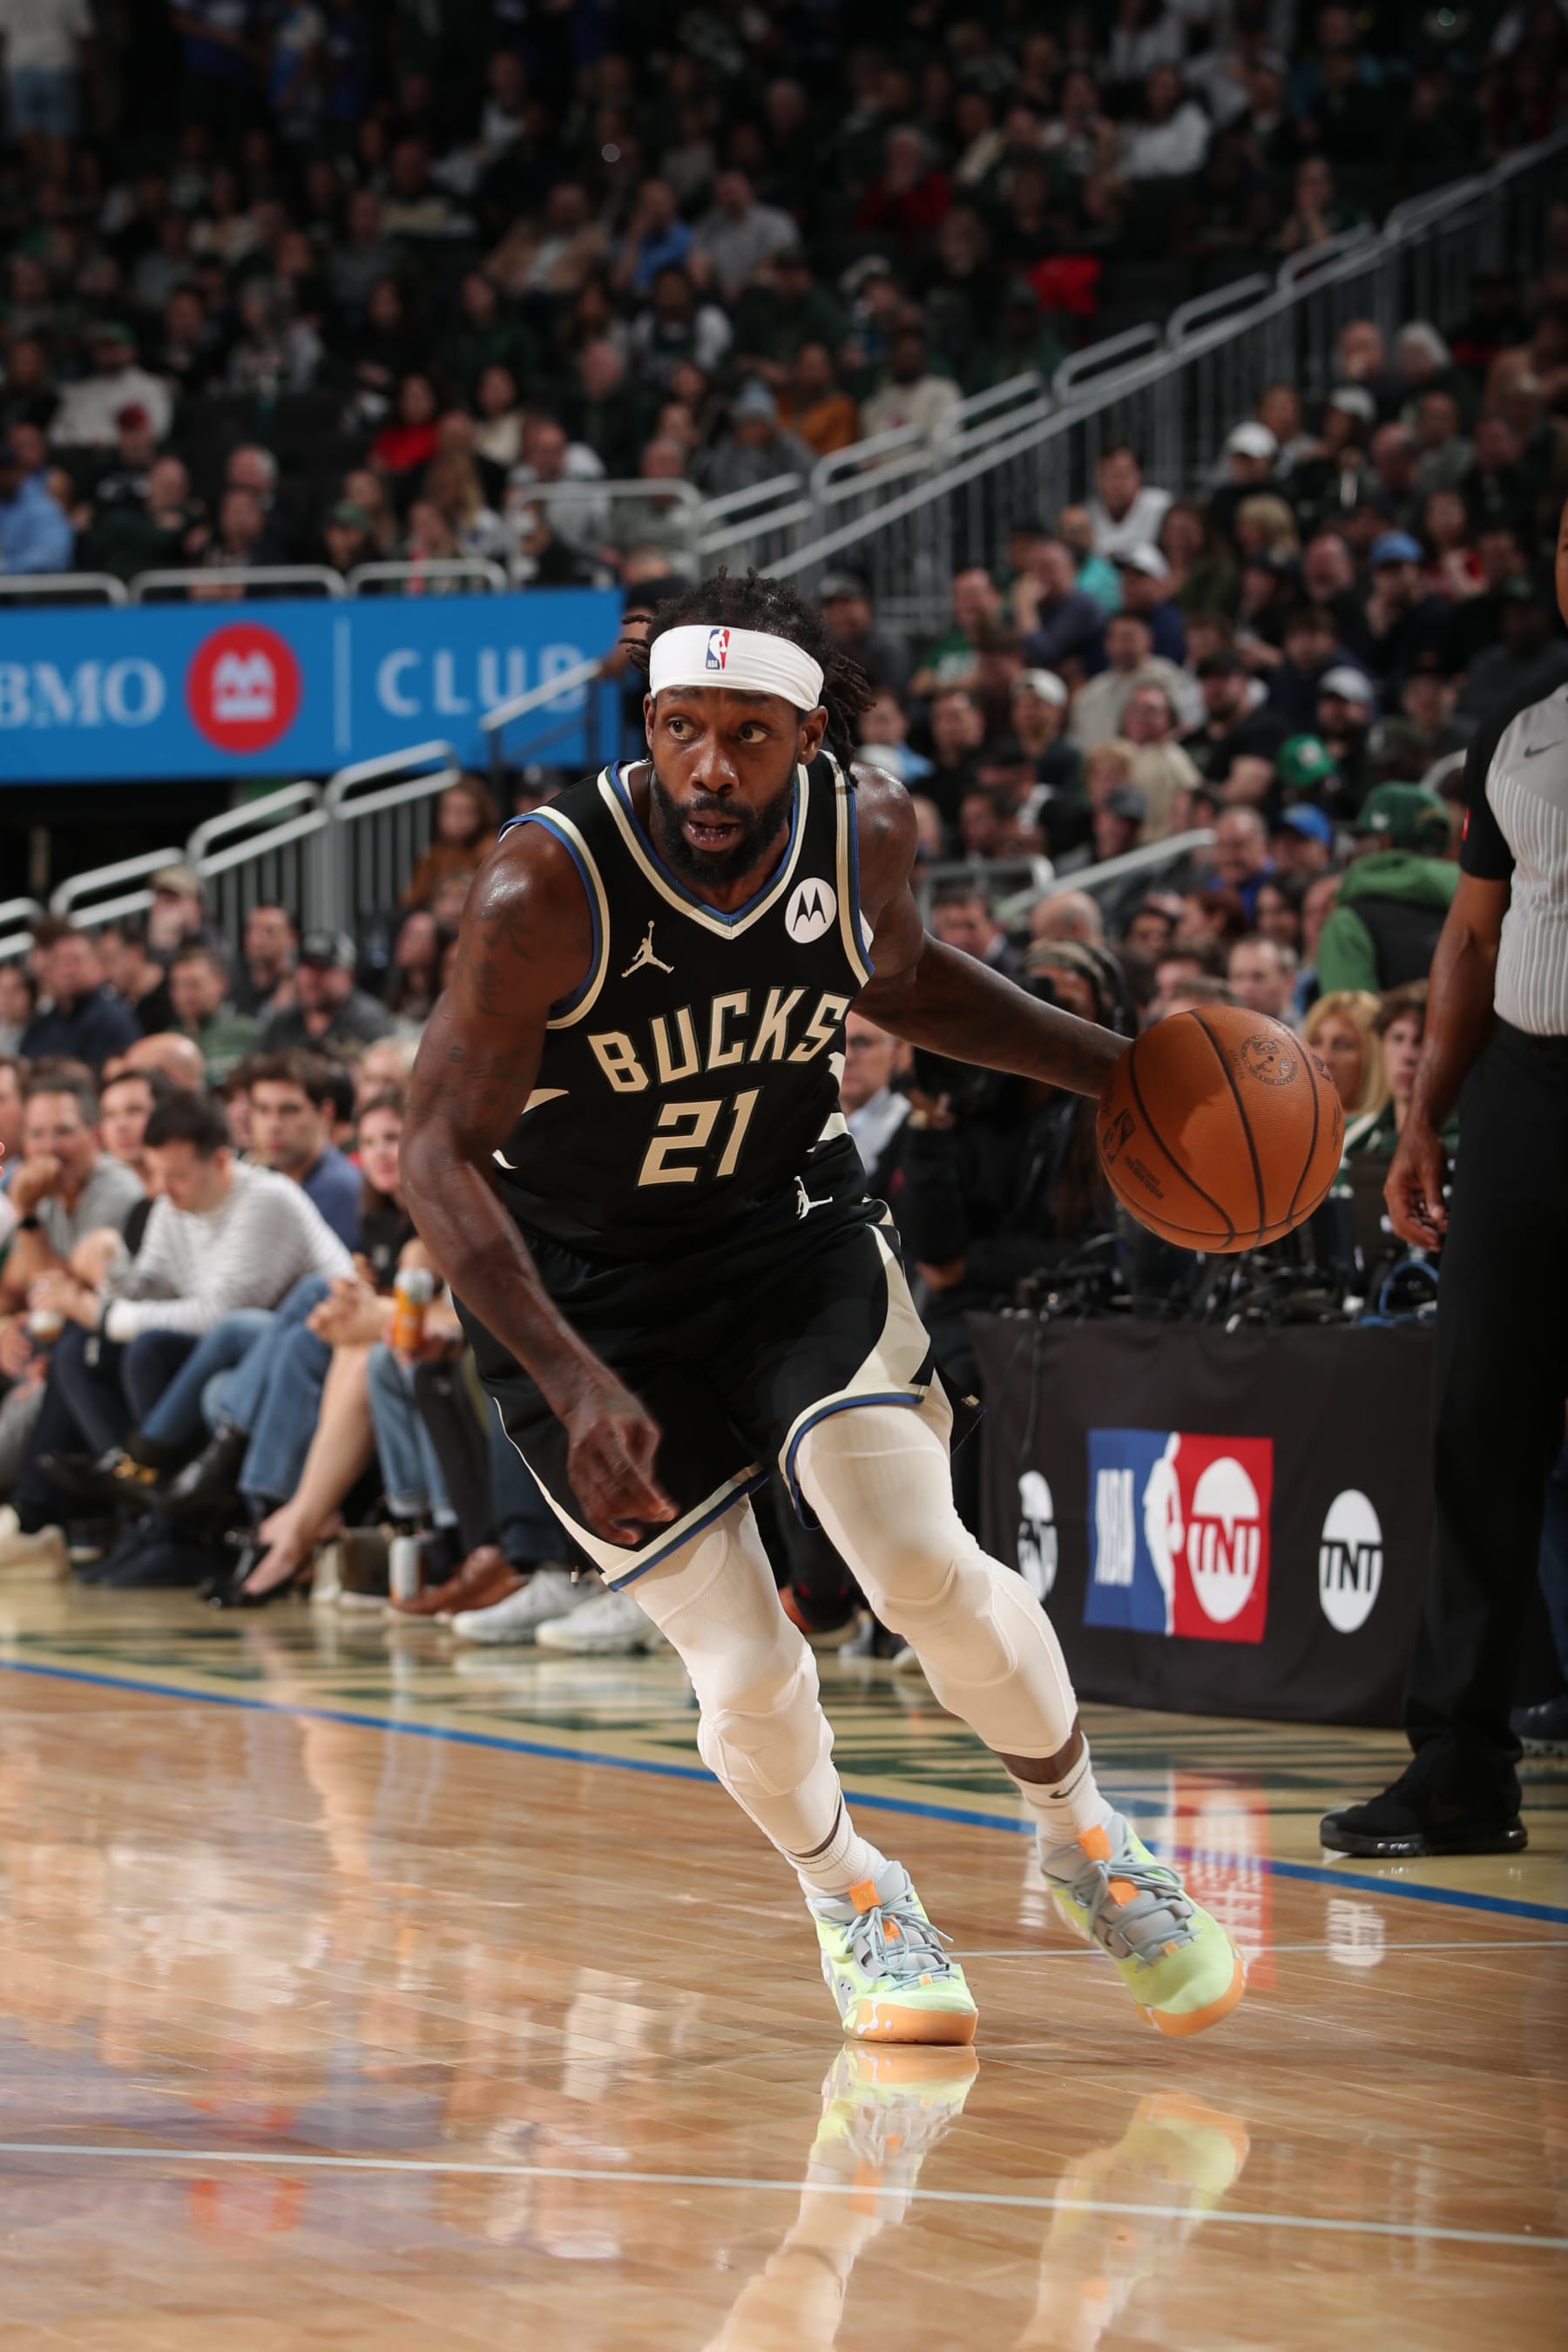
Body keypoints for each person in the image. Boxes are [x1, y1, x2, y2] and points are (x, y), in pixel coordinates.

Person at [399, 568, 1245, 2049]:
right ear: (644, 726)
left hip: (785, 1230)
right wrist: (577, 1378)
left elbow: (905, 983)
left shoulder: (868, 835)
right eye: (678, 730)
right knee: (744, 1662)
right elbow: (429, 1154)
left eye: (744, 734)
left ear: (808, 738)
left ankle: (1089, 1840)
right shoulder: (547, 888)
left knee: (917, 1558)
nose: (708, 768)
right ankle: (853, 1888)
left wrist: (1117, 1067)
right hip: (585, 1293)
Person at [1321, 510, 1568, 1859]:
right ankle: (1462, 1767)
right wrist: (1424, 1119)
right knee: (1480, 1427)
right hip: (1527, 1096)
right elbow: (1473, 939)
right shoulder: (1522, 732)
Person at [1314, 783, 1456, 996]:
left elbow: (1348, 1023)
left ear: (1382, 842)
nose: (1353, 849)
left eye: (1360, 838)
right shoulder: (1477, 903)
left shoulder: (1348, 923)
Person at [244, 1051, 362, 1247]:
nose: (273, 1125)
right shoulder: (258, 1177)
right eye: (263, 1109)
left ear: (325, 1113)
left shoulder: (341, 1187)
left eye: (289, 1110)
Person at [17, 929, 139, 1071]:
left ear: (100, 965)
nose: (68, 969)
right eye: (59, 961)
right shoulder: (42, 1022)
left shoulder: (113, 1017)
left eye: (76, 959)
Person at [258, 931, 395, 1055]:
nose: (311, 978)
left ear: (348, 976)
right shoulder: (284, 1021)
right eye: (306, 968)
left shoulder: (368, 1021)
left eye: (322, 969)